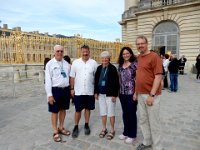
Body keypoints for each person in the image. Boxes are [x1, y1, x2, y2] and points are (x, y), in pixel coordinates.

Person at [134, 36, 163, 150]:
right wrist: (136, 92)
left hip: (151, 95)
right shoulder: (139, 57)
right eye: (138, 44)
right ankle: (147, 141)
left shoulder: (154, 56)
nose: (140, 45)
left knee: (154, 122)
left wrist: (151, 95)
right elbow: (139, 76)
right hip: (140, 94)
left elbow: (158, 76)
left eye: (142, 43)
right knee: (143, 120)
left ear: (147, 44)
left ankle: (158, 147)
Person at [70, 44, 98, 138]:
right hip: (78, 91)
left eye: (86, 51)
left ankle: (86, 124)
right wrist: (72, 88)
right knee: (78, 110)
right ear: (81, 52)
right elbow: (72, 76)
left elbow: (96, 77)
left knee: (88, 109)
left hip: (90, 90)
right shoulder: (75, 62)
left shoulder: (94, 63)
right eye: (83, 52)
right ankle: (76, 126)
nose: (85, 53)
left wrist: (96, 91)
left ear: (89, 52)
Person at [45, 45, 71, 142]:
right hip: (55, 90)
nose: (60, 53)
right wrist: (49, 95)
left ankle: (61, 127)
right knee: (55, 111)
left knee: (63, 109)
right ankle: (55, 130)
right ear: (54, 52)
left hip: (65, 89)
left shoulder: (66, 64)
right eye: (58, 51)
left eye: (61, 51)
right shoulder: (50, 64)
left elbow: (70, 75)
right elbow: (47, 80)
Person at [94, 51, 119, 140]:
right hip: (101, 94)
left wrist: (114, 95)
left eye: (106, 58)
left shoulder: (112, 68)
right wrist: (96, 92)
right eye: (103, 58)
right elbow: (96, 81)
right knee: (103, 112)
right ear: (101, 59)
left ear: (109, 59)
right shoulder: (99, 68)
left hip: (110, 94)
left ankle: (112, 130)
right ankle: (104, 128)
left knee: (111, 113)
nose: (104, 60)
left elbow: (116, 82)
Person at [118, 47, 138, 144]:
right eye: (124, 54)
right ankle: (126, 132)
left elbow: (138, 80)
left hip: (131, 93)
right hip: (122, 93)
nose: (125, 55)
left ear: (130, 54)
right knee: (125, 113)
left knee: (131, 114)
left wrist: (136, 93)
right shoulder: (121, 65)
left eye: (127, 53)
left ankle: (132, 134)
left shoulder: (135, 65)